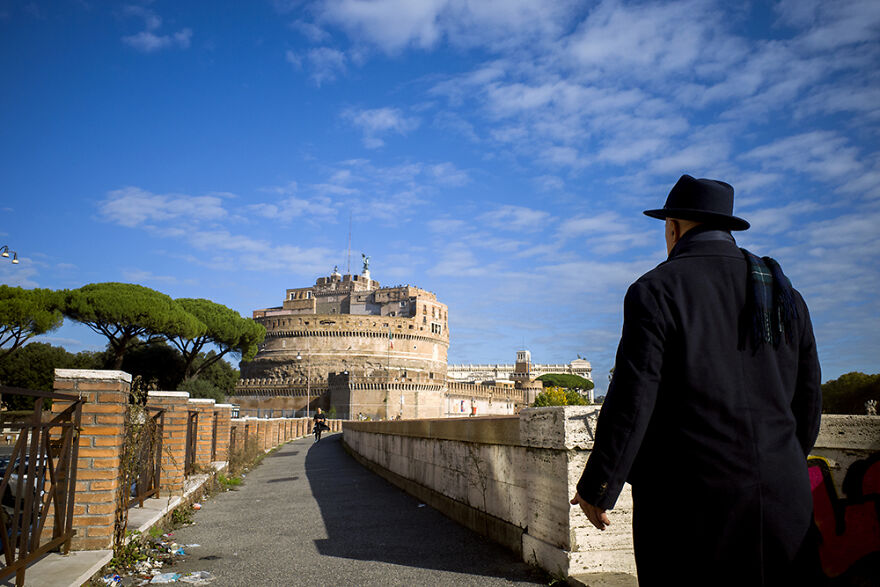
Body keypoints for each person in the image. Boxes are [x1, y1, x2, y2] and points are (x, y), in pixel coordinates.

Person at [570, 175, 822, 585]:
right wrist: (782, 461)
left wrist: (600, 486)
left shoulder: (656, 289)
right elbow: (809, 399)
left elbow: (633, 400)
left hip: (691, 504)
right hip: (784, 497)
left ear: (673, 227)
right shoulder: (783, 292)